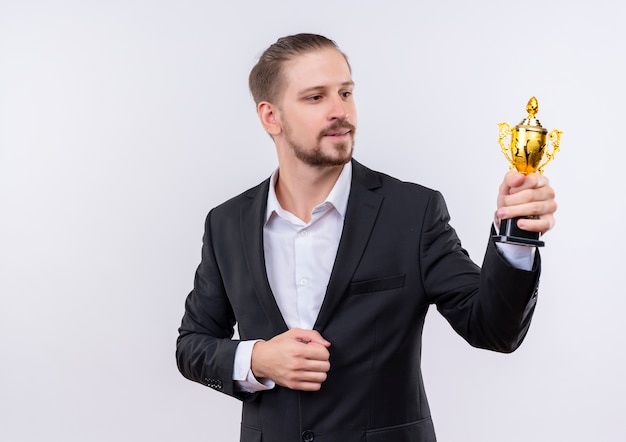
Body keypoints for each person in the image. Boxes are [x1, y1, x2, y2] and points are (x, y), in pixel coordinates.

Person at [176, 33, 556, 442]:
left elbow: (494, 330)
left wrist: (515, 235)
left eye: (345, 92)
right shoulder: (226, 223)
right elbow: (192, 348)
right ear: (271, 117)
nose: (341, 111)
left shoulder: (413, 211)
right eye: (315, 97)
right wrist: (258, 359)